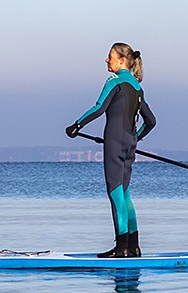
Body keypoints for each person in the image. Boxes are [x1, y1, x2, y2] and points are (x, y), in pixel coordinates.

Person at [66, 42, 156, 258]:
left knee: (115, 193)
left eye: (110, 57)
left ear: (122, 61)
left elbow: (99, 108)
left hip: (115, 143)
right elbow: (151, 121)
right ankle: (134, 247)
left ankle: (121, 248)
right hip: (129, 144)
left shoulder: (114, 81)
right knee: (125, 194)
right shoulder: (136, 86)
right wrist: (136, 137)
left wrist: (76, 126)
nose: (106, 60)